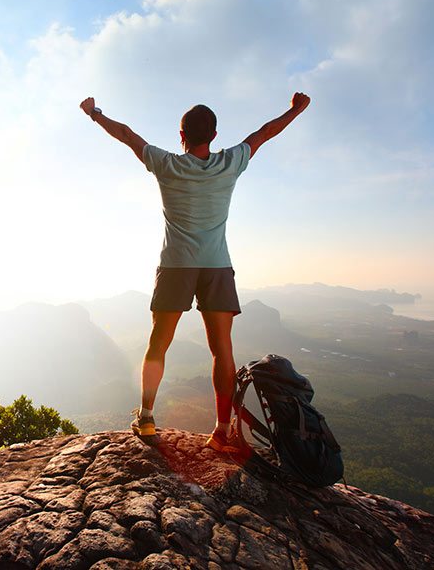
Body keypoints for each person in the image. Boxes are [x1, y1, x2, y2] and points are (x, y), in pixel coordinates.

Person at [78, 92, 310, 451]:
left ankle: (146, 417)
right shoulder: (230, 162)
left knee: (158, 343)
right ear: (214, 136)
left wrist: (94, 112)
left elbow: (126, 134)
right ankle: (221, 432)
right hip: (217, 265)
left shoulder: (166, 164)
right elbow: (265, 132)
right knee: (222, 349)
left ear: (181, 135)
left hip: (176, 265)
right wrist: (295, 109)